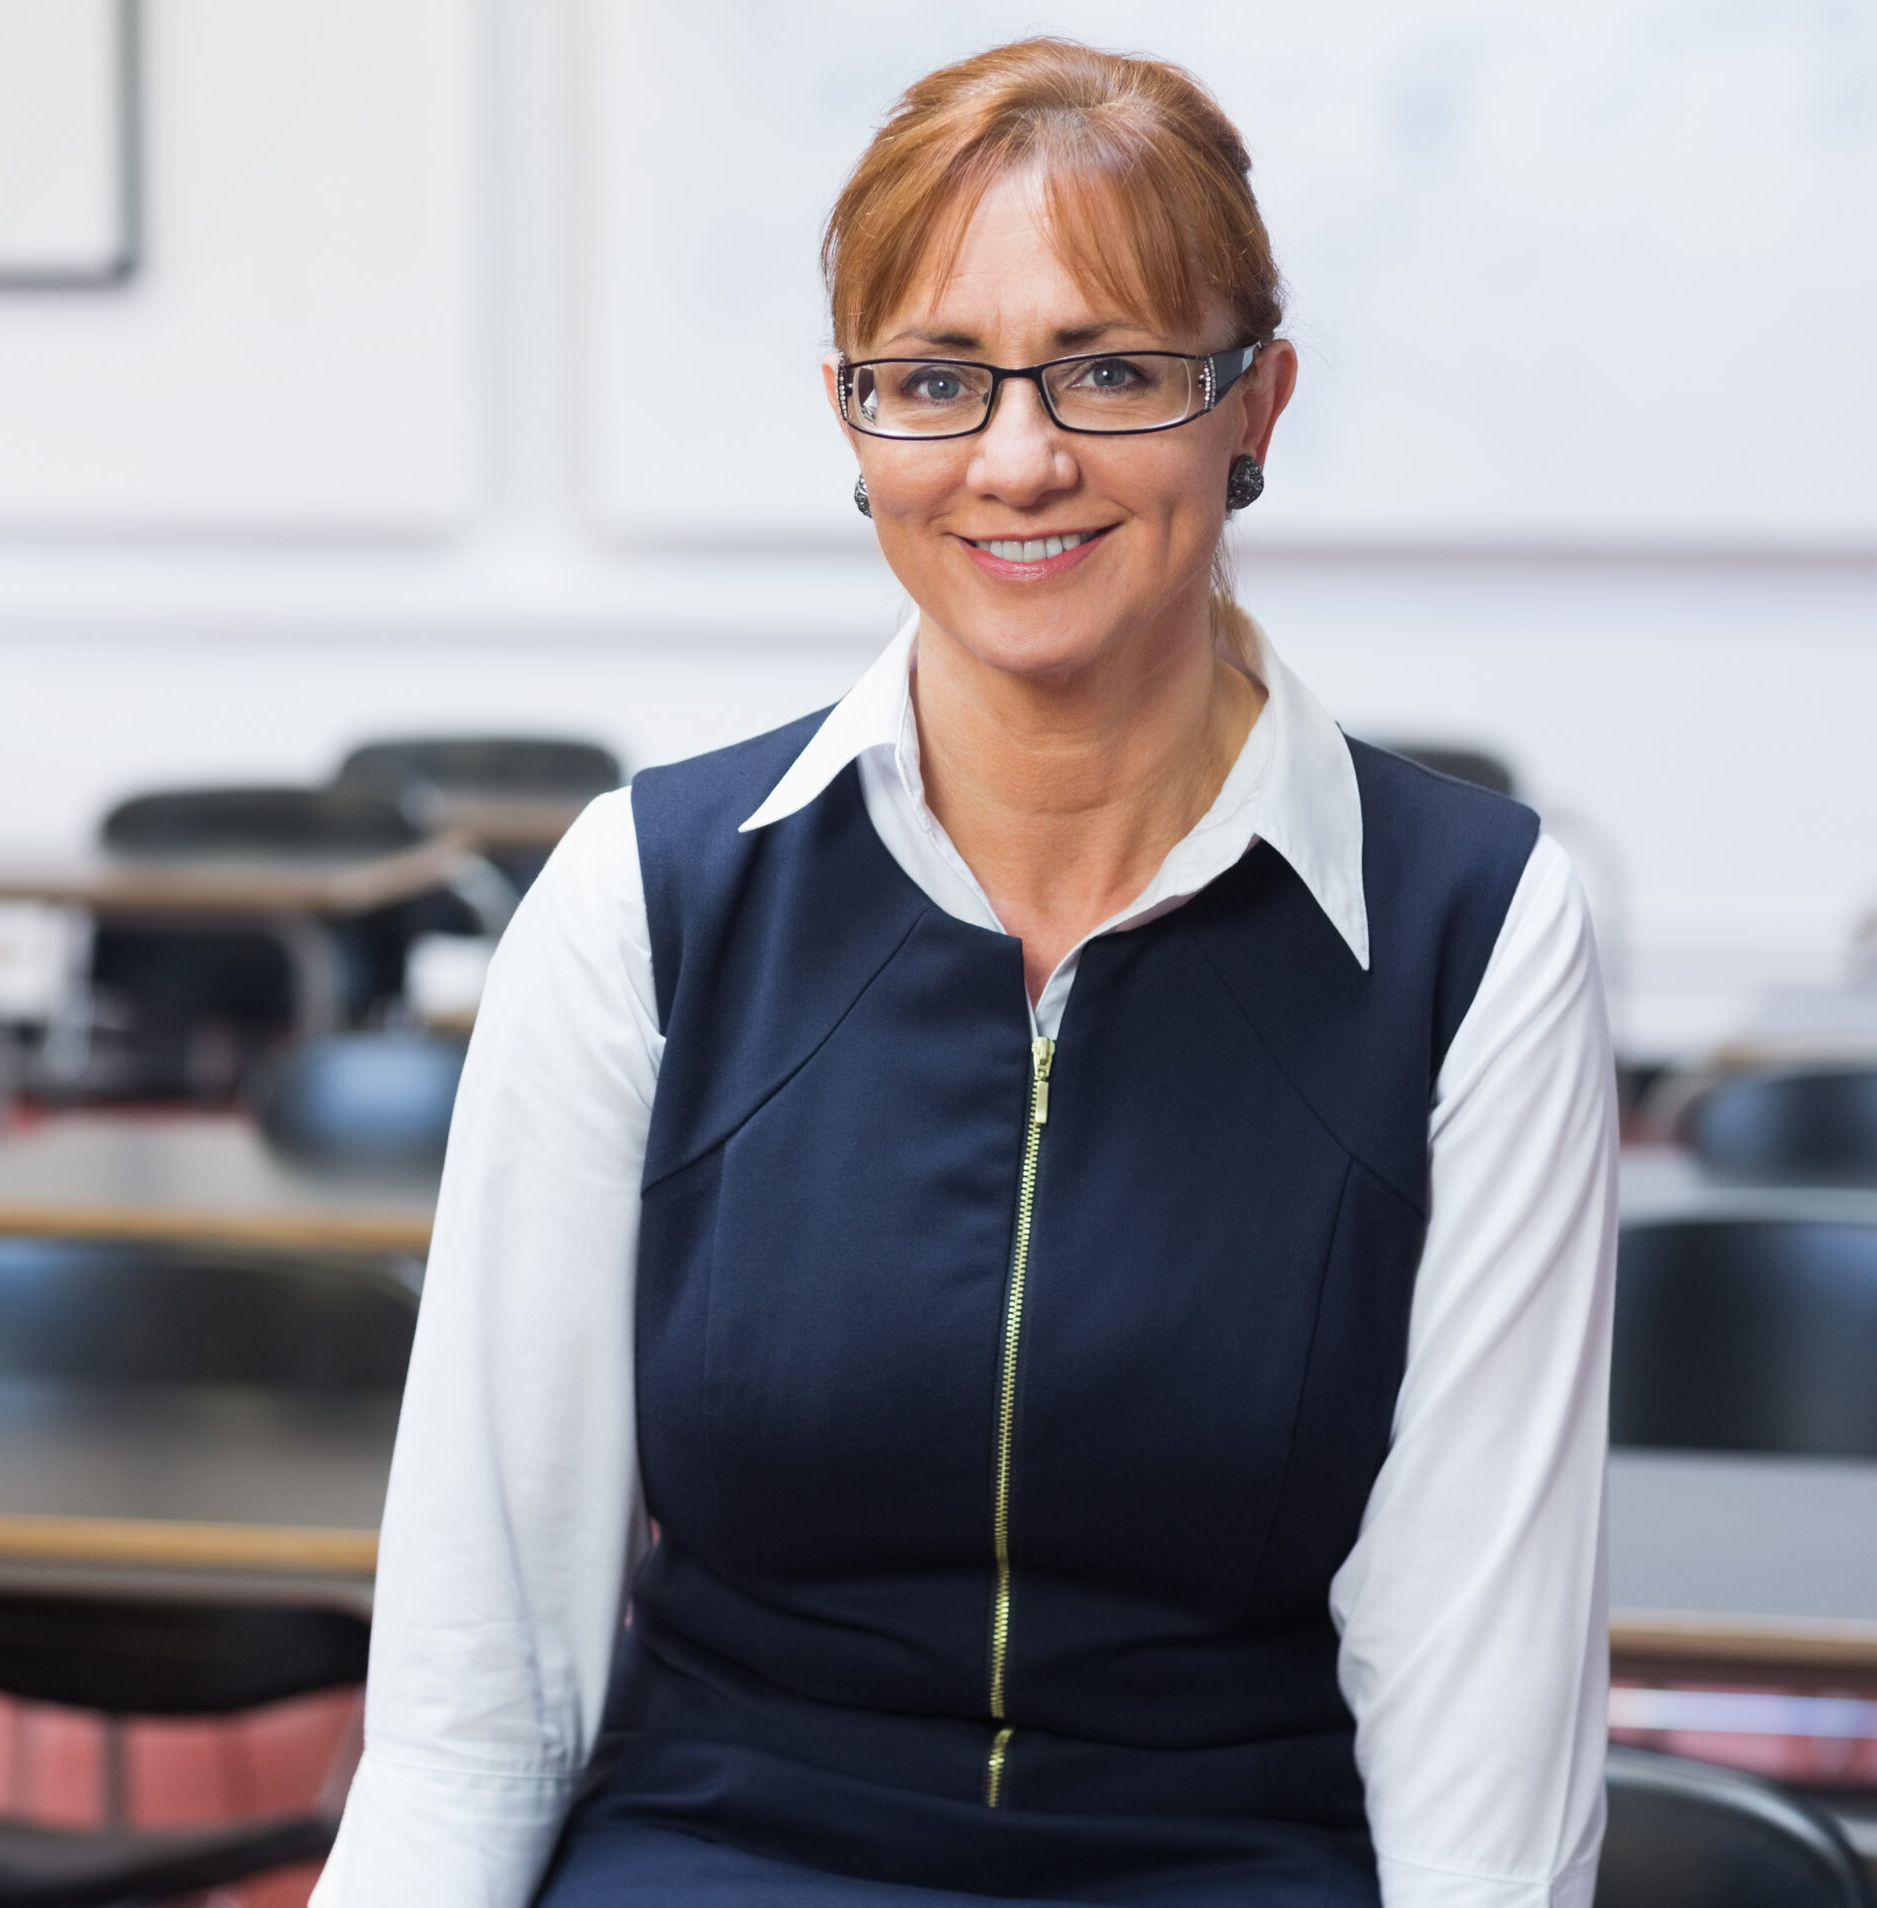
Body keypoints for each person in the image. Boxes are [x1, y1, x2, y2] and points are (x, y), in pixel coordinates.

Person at [312, 36, 1613, 1908]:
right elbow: (477, 1700)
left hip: (1235, 1861)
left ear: (1256, 410)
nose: (1019, 457)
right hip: (724, 1857)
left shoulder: (1471, 934)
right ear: (855, 426)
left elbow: (1477, 1731)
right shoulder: (644, 903)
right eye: (935, 380)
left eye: (1114, 370)